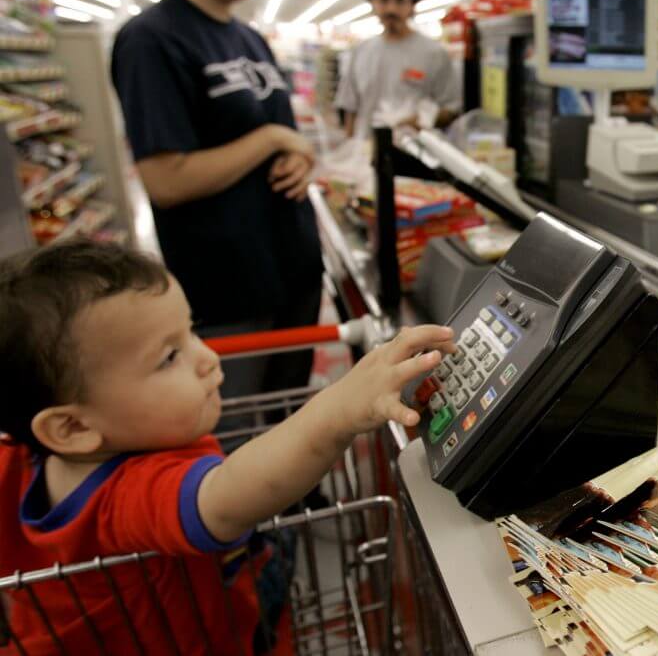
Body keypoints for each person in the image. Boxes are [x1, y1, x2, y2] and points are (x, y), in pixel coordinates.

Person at [0, 241, 454, 654]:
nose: (208, 357)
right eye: (170, 356)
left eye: (191, 331)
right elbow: (225, 497)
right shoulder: (123, 499)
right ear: (73, 427)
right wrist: (339, 408)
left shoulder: (24, 457)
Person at [110, 0, 322, 398]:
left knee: (288, 414)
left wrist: (299, 153)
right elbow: (166, 180)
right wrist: (270, 138)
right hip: (229, 288)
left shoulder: (250, 39)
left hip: (293, 268)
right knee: (236, 437)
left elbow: (287, 134)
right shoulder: (151, 39)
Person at [335, 0, 461, 138]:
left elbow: (451, 109)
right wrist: (350, 151)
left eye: (400, 1)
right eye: (383, 0)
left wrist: (421, 120)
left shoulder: (434, 53)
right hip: (366, 153)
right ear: (372, 2)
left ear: (412, 4)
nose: (391, 9)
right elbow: (351, 108)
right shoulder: (360, 52)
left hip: (416, 155)